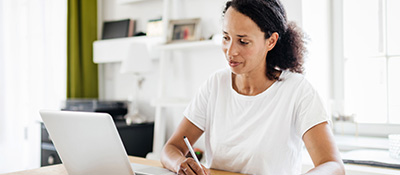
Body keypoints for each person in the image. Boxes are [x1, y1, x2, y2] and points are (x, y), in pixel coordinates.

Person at [160, 0, 345, 174]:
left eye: (243, 41)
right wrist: (181, 164)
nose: (230, 51)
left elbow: (333, 165)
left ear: (270, 41)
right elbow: (172, 148)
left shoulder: (297, 90)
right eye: (226, 38)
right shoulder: (215, 85)